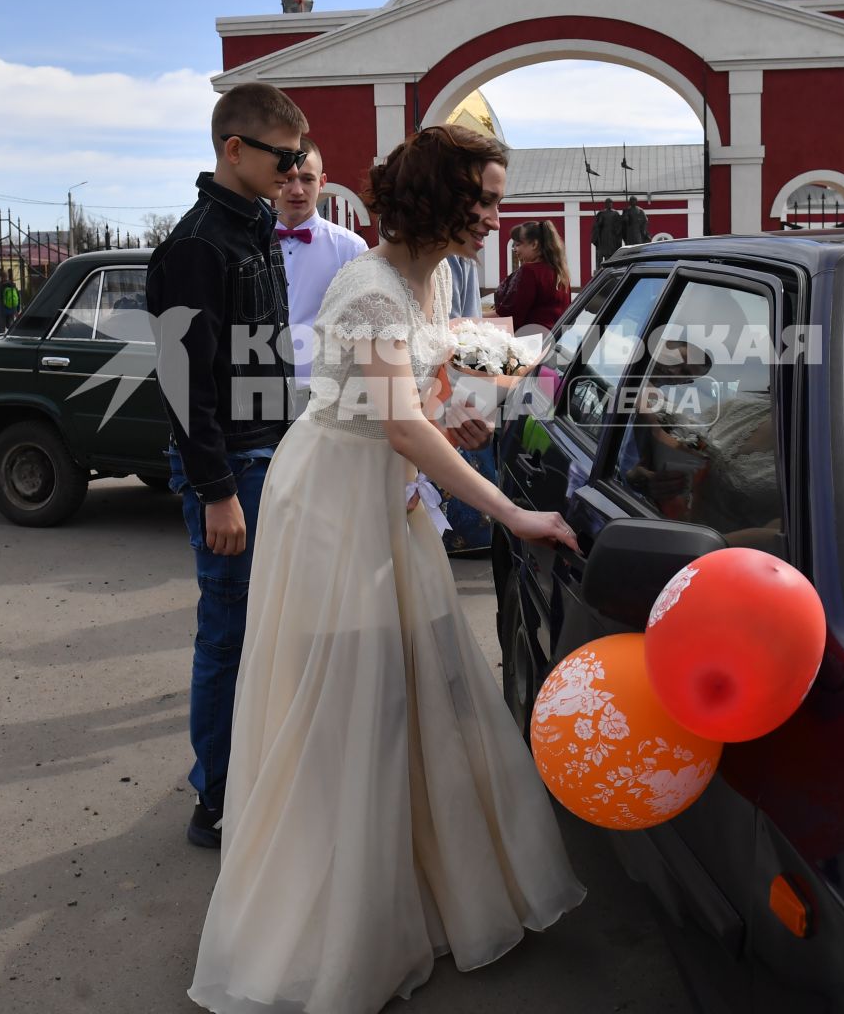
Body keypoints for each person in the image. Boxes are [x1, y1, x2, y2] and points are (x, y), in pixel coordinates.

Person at [189, 123, 584, 1014]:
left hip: (391, 494)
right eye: (480, 197)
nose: (494, 214)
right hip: (334, 505)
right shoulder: (368, 287)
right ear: (439, 197)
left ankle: (408, 887)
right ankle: (341, 926)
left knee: (410, 692)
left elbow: (410, 410)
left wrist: (453, 415)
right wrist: (512, 512)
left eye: (495, 197)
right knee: (351, 705)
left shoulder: (433, 274)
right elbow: (394, 423)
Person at [146, 81, 305, 848]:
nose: (295, 168)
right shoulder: (196, 243)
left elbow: (259, 355)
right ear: (234, 150)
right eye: (284, 155)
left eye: (299, 156)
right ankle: (214, 797)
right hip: (230, 470)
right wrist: (216, 491)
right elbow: (184, 381)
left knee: (263, 630)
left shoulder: (255, 226)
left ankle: (251, 775)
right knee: (228, 634)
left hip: (267, 454)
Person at [272, 137, 366, 391]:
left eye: (307, 179)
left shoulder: (351, 249)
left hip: (326, 396)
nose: (297, 190)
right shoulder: (247, 245)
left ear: (322, 182)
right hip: (258, 396)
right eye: (289, 178)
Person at [494, 220, 572, 334]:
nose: (515, 249)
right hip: (553, 340)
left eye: (518, 244)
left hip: (530, 341)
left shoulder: (530, 271)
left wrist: (474, 318)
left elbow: (511, 315)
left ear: (534, 244)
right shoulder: (561, 272)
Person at [592, 196, 625, 265]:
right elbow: (597, 225)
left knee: (611, 252)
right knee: (602, 252)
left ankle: (610, 265)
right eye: (608, 203)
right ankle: (600, 267)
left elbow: (619, 225)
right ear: (605, 204)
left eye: (610, 203)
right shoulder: (601, 213)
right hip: (603, 235)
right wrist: (599, 223)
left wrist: (617, 232)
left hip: (612, 236)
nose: (609, 204)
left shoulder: (615, 213)